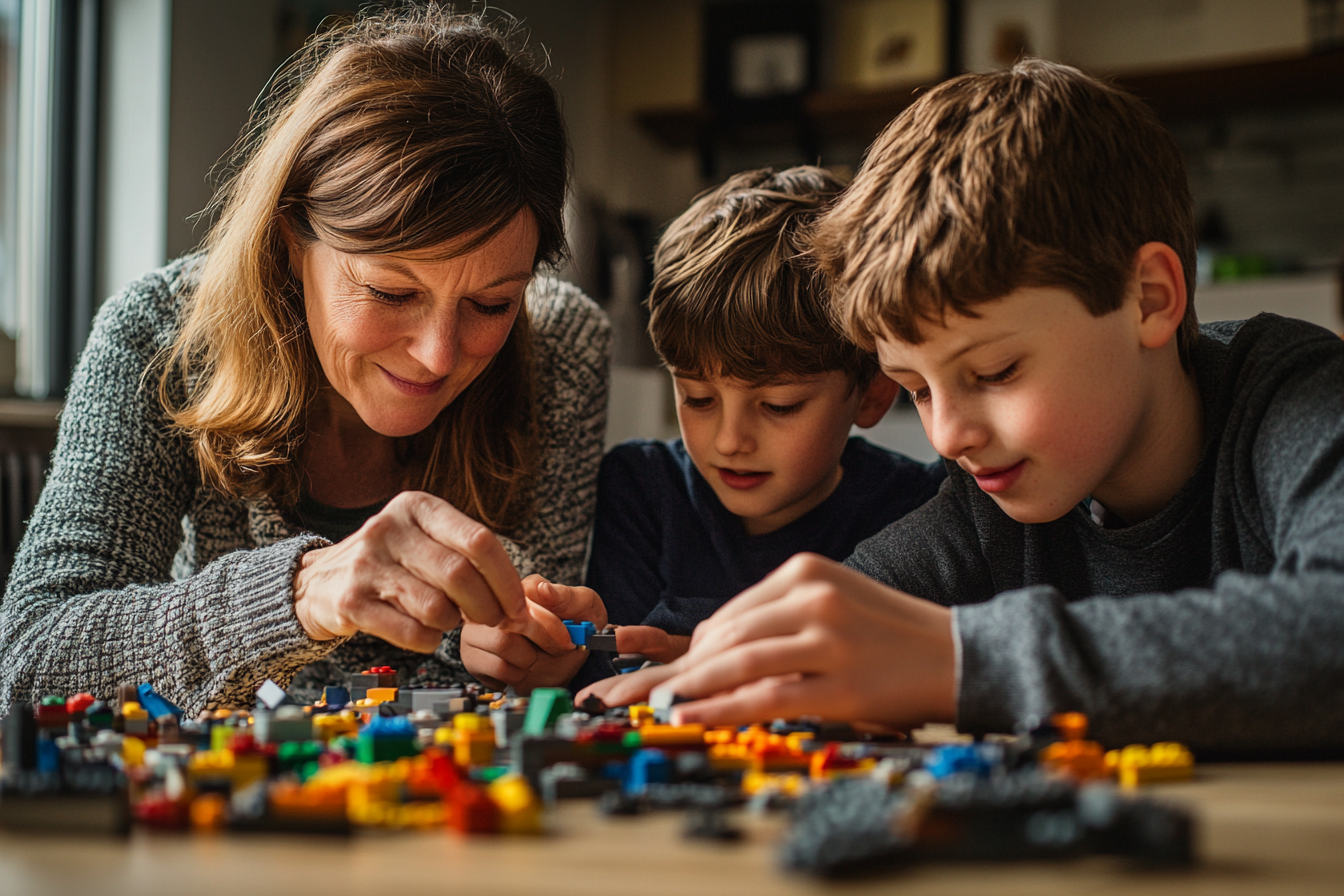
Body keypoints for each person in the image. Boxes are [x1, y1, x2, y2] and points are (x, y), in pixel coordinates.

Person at [582, 59, 1344, 754]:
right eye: (916, 389)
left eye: (996, 370)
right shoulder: (981, 513)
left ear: (1147, 299)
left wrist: (964, 657)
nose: (947, 436)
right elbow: (854, 615)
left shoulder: (1296, 396)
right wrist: (749, 664)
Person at [0, 6, 610, 713]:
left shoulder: (562, 350)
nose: (439, 354)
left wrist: (523, 656)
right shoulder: (161, 335)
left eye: (492, 303)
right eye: (391, 291)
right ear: (291, 238)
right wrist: (300, 593)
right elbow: (32, 657)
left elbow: (510, 666)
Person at [461, 166, 943, 693]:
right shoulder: (642, 490)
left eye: (779, 406)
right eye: (698, 398)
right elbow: (606, 673)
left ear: (874, 392)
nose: (729, 440)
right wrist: (552, 658)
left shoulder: (922, 510)